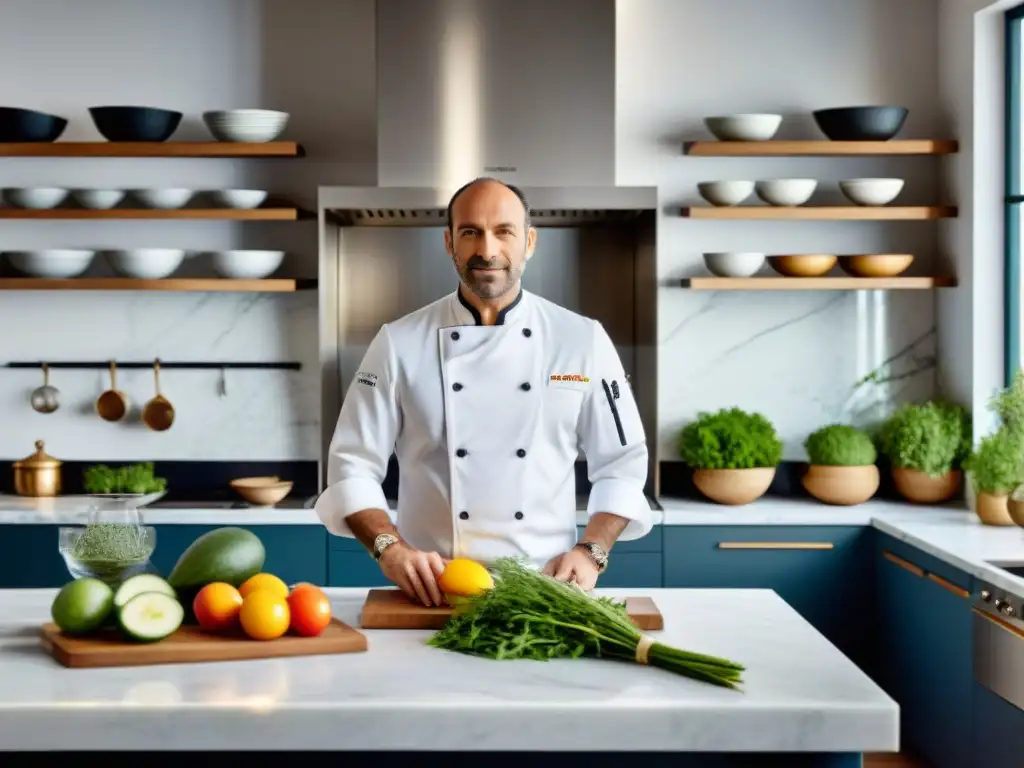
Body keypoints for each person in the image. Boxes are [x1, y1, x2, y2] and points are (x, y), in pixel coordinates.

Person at [315, 177, 652, 606]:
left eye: (504, 231)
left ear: (529, 242)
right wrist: (389, 548)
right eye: (470, 232)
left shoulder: (582, 339)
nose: (487, 250)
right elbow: (352, 464)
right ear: (449, 243)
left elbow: (622, 462)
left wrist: (592, 552)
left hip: (547, 589)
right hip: (434, 592)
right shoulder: (398, 342)